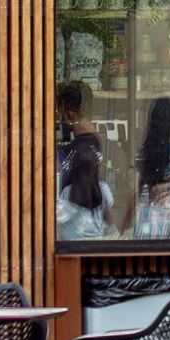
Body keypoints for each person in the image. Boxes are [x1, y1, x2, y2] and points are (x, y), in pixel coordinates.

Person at [56, 81, 119, 240]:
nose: (60, 119)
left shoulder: (66, 152)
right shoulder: (106, 145)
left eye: (60, 113)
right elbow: (112, 223)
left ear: (70, 114)